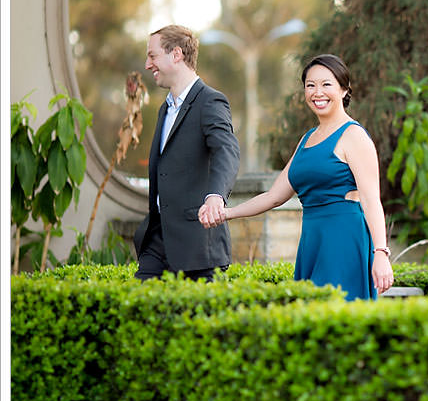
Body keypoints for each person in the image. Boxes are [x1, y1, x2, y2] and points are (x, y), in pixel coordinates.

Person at [198, 53, 394, 300]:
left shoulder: (354, 136)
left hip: (344, 238)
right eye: (310, 86)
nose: (317, 92)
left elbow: (370, 200)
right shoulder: (307, 139)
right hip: (312, 241)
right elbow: (273, 196)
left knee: (337, 319)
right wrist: (225, 213)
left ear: (344, 90)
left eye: (326, 84)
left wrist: (380, 252)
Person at [133, 24, 240, 281]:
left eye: (152, 55)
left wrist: (216, 196)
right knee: (138, 311)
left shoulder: (210, 101)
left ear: (176, 54)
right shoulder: (164, 109)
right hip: (158, 241)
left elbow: (227, 150)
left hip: (198, 245)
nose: (148, 65)